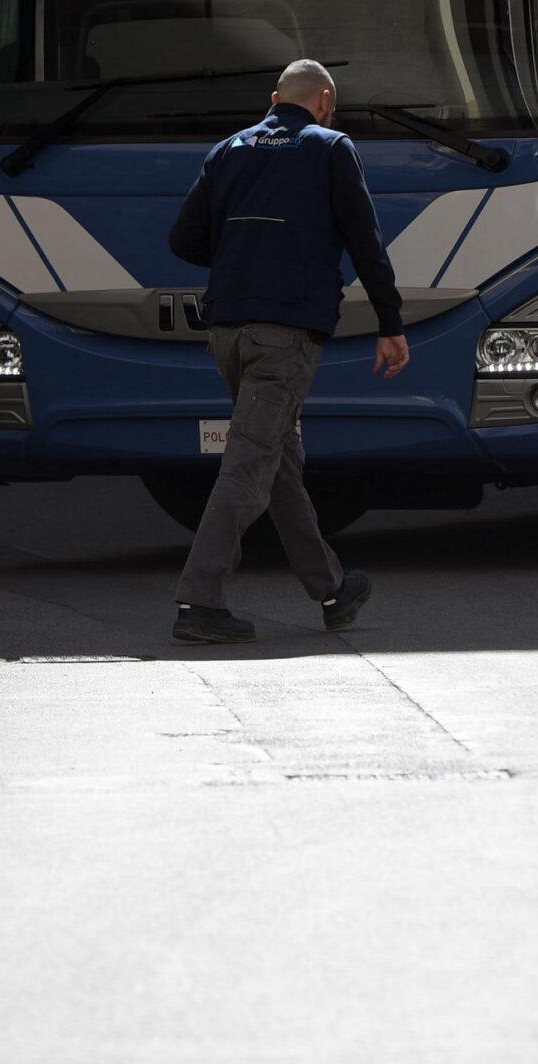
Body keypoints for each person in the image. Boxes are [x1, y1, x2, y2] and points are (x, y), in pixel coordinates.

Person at [165, 59, 407, 644]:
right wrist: (390, 323)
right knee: (248, 466)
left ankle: (331, 588)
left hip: (227, 334)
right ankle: (199, 602)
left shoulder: (228, 150)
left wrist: (245, 258)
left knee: (279, 466)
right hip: (284, 338)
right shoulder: (330, 148)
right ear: (324, 100)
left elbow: (183, 239)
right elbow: (364, 241)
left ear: (276, 98)